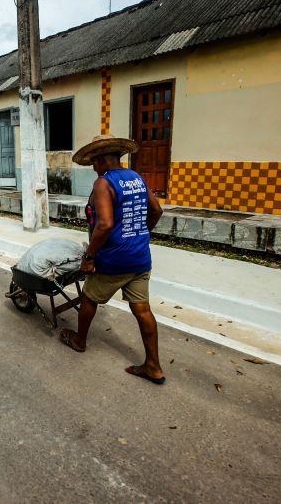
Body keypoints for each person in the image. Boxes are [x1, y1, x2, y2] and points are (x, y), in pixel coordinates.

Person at [59, 134, 166, 385]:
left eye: (94, 162)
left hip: (114, 259)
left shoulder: (104, 183)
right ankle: (153, 366)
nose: (94, 168)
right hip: (140, 257)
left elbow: (105, 224)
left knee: (88, 297)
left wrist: (89, 257)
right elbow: (157, 210)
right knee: (142, 309)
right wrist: (141, 234)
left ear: (103, 159)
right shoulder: (137, 178)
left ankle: (79, 340)